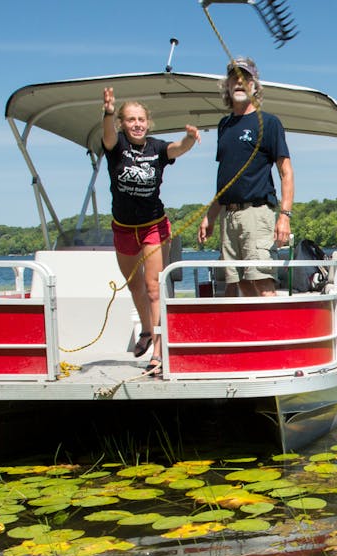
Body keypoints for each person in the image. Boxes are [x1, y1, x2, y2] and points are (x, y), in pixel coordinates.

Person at [102, 87, 200, 372]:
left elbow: (177, 149)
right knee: (134, 285)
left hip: (153, 226)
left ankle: (158, 350)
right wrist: (108, 111)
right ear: (122, 123)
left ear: (148, 123)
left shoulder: (156, 148)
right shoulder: (117, 145)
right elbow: (107, 137)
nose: (136, 124)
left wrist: (190, 139)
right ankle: (147, 330)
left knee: (153, 286)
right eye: (131, 119)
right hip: (123, 227)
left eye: (141, 119)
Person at [196, 58, 294, 297]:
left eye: (246, 78)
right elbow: (225, 179)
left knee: (261, 282)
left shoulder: (269, 123)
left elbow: (286, 171)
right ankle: (255, 334)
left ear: (254, 86)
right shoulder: (224, 125)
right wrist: (210, 216)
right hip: (228, 216)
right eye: (234, 78)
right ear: (227, 86)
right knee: (241, 283)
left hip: (256, 214)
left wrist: (284, 216)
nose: (239, 82)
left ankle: (273, 333)